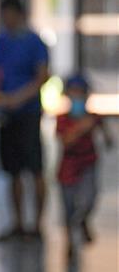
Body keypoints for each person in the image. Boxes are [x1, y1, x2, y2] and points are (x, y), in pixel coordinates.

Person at [0, 0, 49, 240]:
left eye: (10, 15)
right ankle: (18, 223)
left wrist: (19, 98)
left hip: (28, 114)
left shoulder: (34, 42)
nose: (7, 20)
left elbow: (42, 76)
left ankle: (38, 225)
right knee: (13, 171)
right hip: (6, 115)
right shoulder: (2, 41)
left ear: (19, 14)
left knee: (35, 169)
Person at [56, 75, 113, 259]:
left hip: (88, 163)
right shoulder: (62, 119)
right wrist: (82, 128)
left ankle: (83, 222)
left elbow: (108, 139)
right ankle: (70, 242)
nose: (77, 97)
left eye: (81, 93)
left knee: (89, 199)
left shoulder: (93, 117)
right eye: (74, 92)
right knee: (68, 206)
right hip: (68, 167)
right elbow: (65, 141)